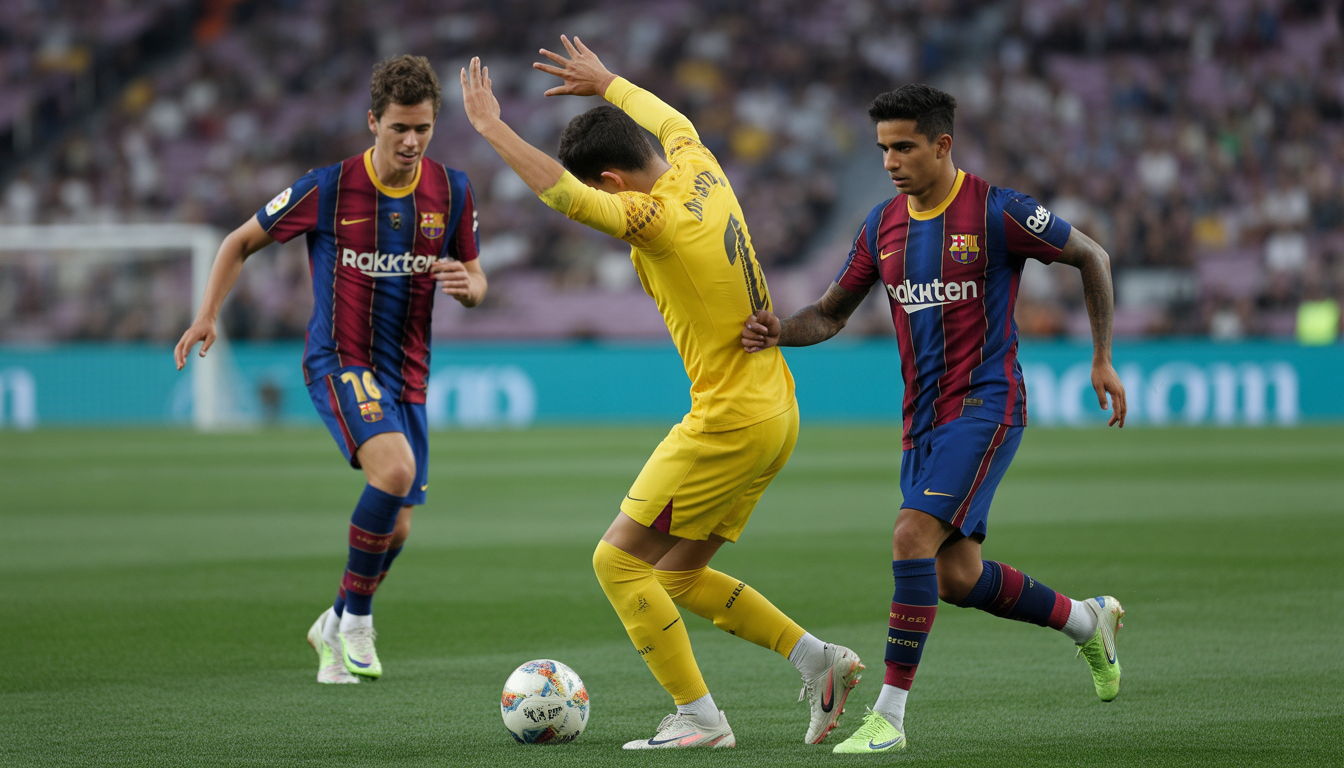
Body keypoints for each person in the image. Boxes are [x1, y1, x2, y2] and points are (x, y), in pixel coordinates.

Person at [459, 37, 861, 749]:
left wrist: (492, 127)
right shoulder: (700, 165)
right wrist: (609, 81)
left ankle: (700, 719)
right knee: (675, 577)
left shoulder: (657, 221)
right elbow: (671, 117)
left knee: (616, 562)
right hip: (776, 409)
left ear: (615, 182)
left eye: (607, 191)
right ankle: (817, 661)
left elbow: (565, 197)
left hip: (729, 419)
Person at [742, 84, 1128, 754]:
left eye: (904, 147)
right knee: (957, 577)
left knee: (910, 535)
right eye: (883, 148)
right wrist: (780, 330)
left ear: (942, 144)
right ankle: (1085, 621)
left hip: (987, 404)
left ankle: (888, 718)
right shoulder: (881, 226)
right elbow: (830, 314)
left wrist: (1102, 357)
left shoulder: (998, 211)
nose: (890, 161)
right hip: (922, 419)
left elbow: (1092, 255)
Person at [174, 55, 486, 685]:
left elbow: (476, 277)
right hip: (340, 360)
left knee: (398, 526)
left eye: (423, 128)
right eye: (399, 127)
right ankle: (359, 624)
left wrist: (468, 286)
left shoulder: (452, 191)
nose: (411, 141)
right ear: (373, 122)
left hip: (408, 375)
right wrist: (207, 315)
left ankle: (334, 619)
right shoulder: (328, 188)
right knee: (394, 471)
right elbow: (237, 242)